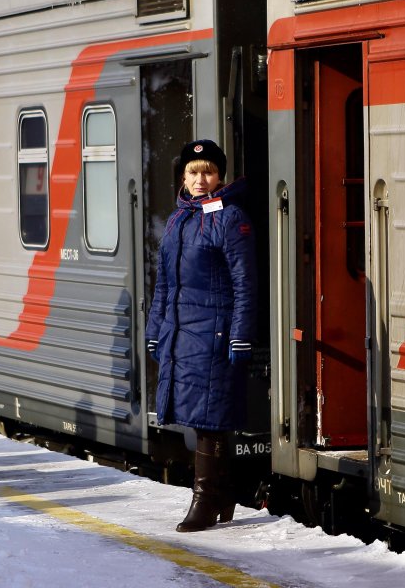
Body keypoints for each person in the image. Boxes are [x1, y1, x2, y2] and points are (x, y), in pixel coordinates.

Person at [145, 139, 256, 532]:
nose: (200, 179)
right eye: (193, 172)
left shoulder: (231, 218)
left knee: (210, 418)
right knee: (200, 416)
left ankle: (206, 499)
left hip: (214, 333)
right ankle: (221, 494)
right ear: (183, 176)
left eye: (208, 171)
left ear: (220, 176)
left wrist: (240, 335)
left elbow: (245, 284)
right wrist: (156, 330)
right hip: (182, 332)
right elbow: (165, 285)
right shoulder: (179, 219)